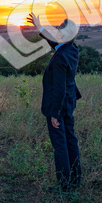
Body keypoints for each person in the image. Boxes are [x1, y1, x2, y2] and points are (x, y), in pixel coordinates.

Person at [26, 12, 82, 192]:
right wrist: (39, 27)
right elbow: (57, 43)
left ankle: (64, 185)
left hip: (59, 106)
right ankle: (76, 179)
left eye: (58, 29)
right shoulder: (71, 50)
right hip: (69, 103)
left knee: (60, 145)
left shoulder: (59, 58)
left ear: (62, 36)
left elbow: (59, 89)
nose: (56, 30)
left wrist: (54, 114)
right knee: (70, 140)